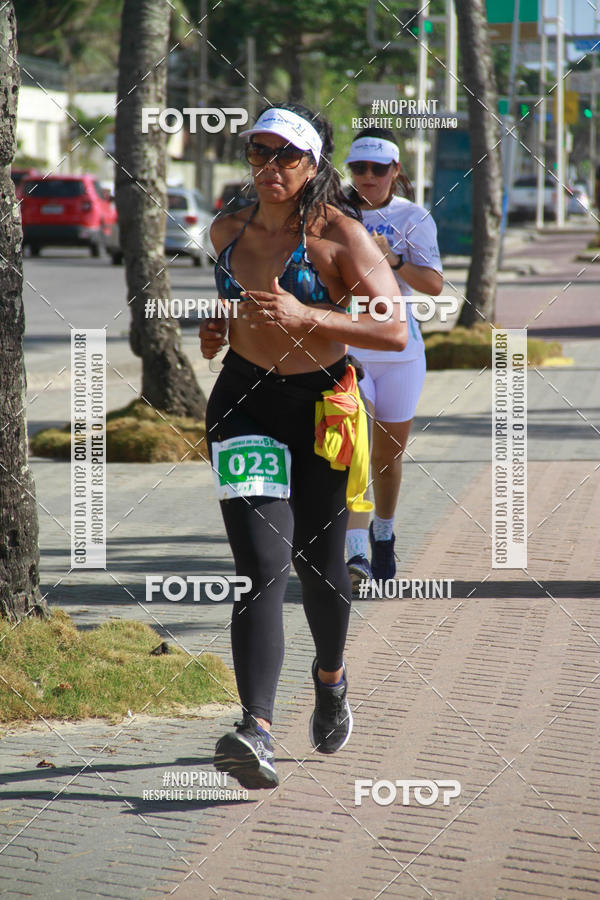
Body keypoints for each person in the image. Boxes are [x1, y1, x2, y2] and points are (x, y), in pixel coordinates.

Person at [199, 105, 407, 789]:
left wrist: (307, 314)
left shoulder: (341, 236)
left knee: (321, 569)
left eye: (287, 154)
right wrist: (219, 325)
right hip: (243, 405)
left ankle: (331, 679)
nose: (271, 165)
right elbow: (234, 303)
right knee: (261, 566)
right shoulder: (227, 228)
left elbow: (393, 330)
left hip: (321, 409)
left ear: (313, 164)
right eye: (259, 151)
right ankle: (255, 729)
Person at [343, 128, 443, 590]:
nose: (367, 176)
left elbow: (434, 285)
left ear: (395, 170)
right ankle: (355, 552)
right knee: (354, 451)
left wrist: (394, 261)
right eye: (358, 168)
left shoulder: (412, 217)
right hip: (348, 349)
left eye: (377, 169)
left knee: (387, 457)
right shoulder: (334, 212)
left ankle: (383, 532)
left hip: (401, 352)